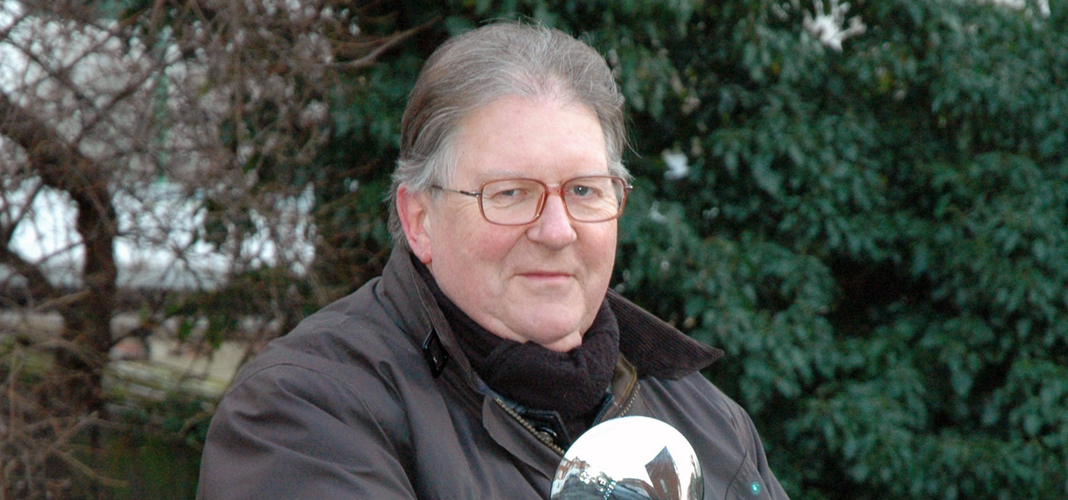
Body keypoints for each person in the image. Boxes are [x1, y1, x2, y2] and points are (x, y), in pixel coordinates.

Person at [197, 22, 788, 500]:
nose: (557, 232)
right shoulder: (305, 411)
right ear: (419, 219)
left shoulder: (705, 415)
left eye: (584, 191)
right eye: (510, 194)